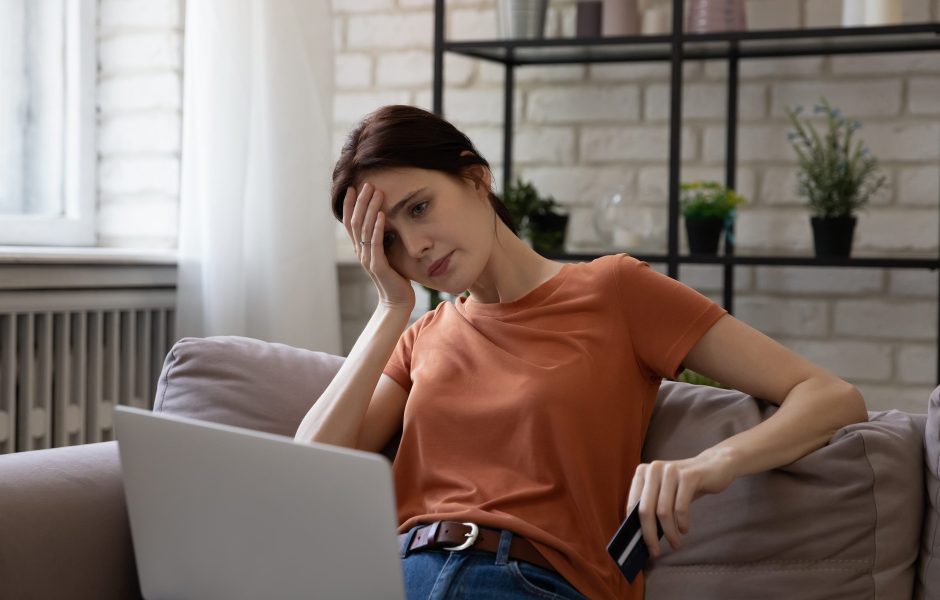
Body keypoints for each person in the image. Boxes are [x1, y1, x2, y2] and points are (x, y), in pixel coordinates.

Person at [294, 104, 869, 600]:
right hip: (394, 576)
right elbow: (306, 471)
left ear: (475, 178)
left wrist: (710, 465)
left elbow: (829, 395)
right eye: (388, 239)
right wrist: (391, 308)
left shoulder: (615, 291)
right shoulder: (421, 335)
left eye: (419, 208)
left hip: (530, 580)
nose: (414, 246)